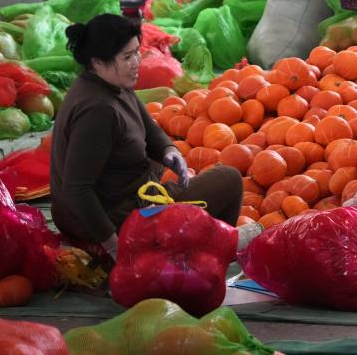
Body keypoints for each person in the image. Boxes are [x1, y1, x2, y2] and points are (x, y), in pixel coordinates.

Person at [50, 14, 245, 261]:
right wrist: (114, 246)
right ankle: (209, 254)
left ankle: (193, 248)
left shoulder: (111, 85)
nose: (137, 62)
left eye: (136, 52)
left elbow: (149, 129)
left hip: (130, 196)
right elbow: (76, 190)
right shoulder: (98, 111)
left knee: (171, 167)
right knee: (229, 179)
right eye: (127, 57)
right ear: (98, 62)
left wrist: (169, 151)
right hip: (119, 218)